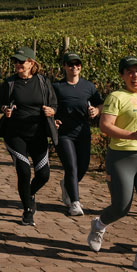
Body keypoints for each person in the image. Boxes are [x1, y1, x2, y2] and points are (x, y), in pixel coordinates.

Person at [86, 56, 137, 272]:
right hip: (121, 156)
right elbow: (105, 126)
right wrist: (130, 135)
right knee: (122, 206)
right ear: (122, 75)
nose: (135, 76)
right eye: (130, 72)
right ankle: (99, 224)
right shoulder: (116, 97)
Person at [0, 46, 57, 226]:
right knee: (23, 170)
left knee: (44, 174)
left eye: (21, 62)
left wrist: (51, 110)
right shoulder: (9, 83)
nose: (17, 65)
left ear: (31, 63)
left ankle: (28, 193)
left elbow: (54, 103)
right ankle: (28, 210)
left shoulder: (43, 82)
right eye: (15, 62)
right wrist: (5, 110)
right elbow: (0, 103)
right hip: (15, 134)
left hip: (38, 134)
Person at [52, 51, 103, 216]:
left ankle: (67, 184)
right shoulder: (57, 87)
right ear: (65, 66)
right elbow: (48, 107)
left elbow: (100, 104)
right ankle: (75, 203)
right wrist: (52, 120)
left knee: (83, 166)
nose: (75, 67)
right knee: (71, 166)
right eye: (71, 64)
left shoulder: (89, 86)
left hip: (83, 132)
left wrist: (96, 110)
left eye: (77, 64)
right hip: (64, 133)